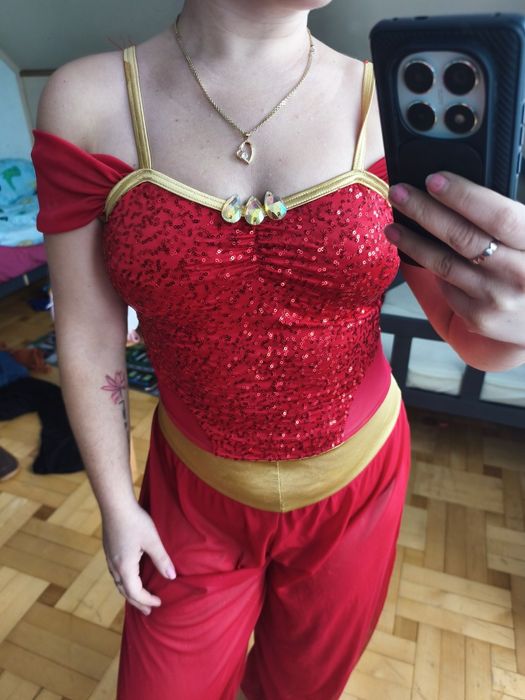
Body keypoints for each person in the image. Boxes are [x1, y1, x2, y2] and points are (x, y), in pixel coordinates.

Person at [31, 1, 525, 698]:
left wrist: (513, 319)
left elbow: (469, 335)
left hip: (360, 486)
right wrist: (115, 504)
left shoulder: (386, 105)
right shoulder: (88, 100)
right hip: (191, 497)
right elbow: (88, 333)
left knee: (300, 690)